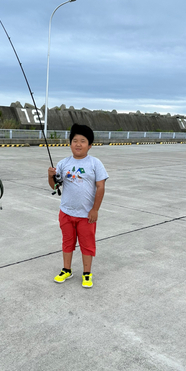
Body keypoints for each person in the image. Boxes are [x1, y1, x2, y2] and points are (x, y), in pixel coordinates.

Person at [48, 123, 109, 288]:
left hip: (86, 215)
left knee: (87, 245)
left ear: (90, 145)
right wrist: (50, 176)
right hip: (66, 213)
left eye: (83, 141)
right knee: (67, 242)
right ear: (70, 143)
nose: (78, 144)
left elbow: (101, 186)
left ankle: (87, 273)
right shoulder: (63, 163)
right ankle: (66, 269)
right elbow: (55, 186)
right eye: (75, 140)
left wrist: (95, 209)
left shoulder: (95, 163)